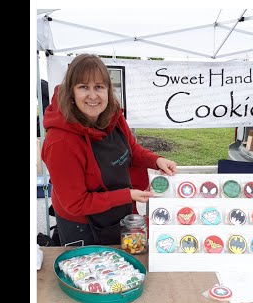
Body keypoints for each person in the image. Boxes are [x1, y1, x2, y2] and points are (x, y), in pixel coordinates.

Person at [41, 54, 177, 246]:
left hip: (116, 212)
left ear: (108, 90)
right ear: (71, 92)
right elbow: (75, 204)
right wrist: (126, 195)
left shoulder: (113, 116)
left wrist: (156, 160)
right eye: (83, 87)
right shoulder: (60, 143)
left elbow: (132, 150)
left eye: (99, 87)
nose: (92, 95)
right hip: (83, 225)